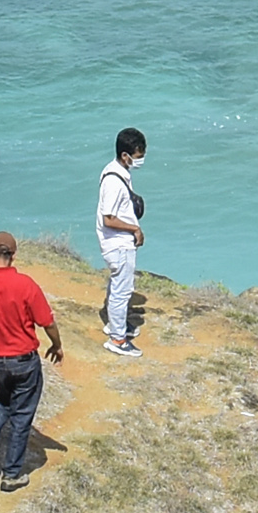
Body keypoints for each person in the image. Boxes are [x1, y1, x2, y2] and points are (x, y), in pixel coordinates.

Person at [0, 230, 64, 492]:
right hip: (24, 361)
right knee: (21, 415)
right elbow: (47, 322)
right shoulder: (26, 285)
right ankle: (12, 474)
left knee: (3, 400)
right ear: (13, 256)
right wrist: (57, 344)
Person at [95, 128, 149, 356]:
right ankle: (117, 340)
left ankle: (116, 324)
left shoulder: (115, 172)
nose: (140, 160)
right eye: (138, 156)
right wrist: (134, 228)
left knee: (118, 286)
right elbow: (109, 219)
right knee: (122, 291)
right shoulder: (114, 182)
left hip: (119, 243)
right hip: (118, 244)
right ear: (125, 155)